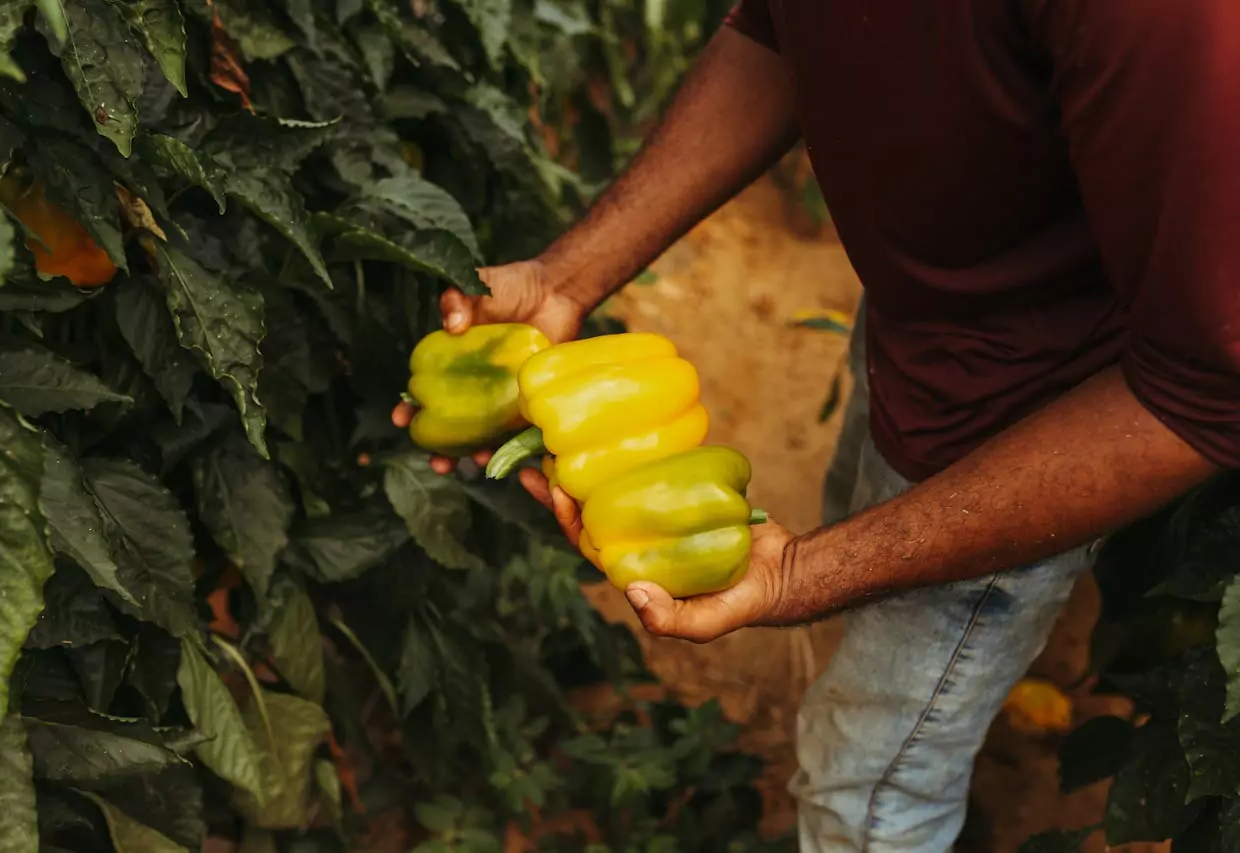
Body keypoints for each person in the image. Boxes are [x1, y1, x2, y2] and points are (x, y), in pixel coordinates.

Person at [394, 3, 1240, 850]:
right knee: (878, 693)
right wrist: (566, 281)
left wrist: (809, 570)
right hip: (926, 326)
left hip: (1031, 421)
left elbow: (1202, 390)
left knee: (868, 790)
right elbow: (782, 25)